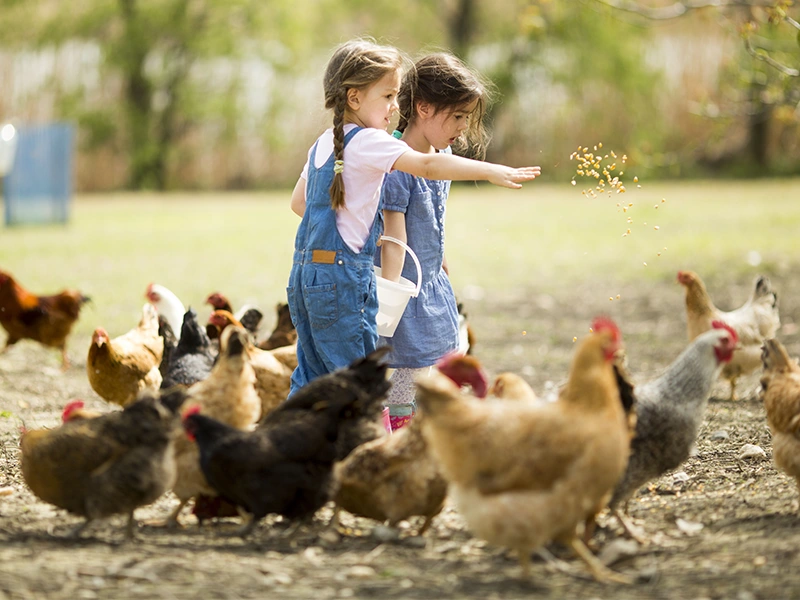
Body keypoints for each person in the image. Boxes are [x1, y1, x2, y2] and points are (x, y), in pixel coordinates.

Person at [287, 39, 540, 397]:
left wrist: (355, 225)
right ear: (355, 98)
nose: (395, 105)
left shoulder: (324, 142)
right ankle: (372, 445)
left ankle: (283, 444)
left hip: (306, 278)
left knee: (310, 378)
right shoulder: (370, 141)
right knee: (361, 388)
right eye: (388, 96)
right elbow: (427, 165)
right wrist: (492, 170)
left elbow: (300, 204)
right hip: (344, 282)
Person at [377, 52, 497, 430]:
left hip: (431, 282)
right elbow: (392, 239)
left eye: (466, 117)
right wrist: (388, 298)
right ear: (424, 107)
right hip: (403, 289)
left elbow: (434, 217)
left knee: (434, 366)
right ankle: (398, 435)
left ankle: (425, 431)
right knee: (403, 375)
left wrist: (440, 258)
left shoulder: (442, 156)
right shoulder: (397, 166)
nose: (462, 128)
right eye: (457, 116)